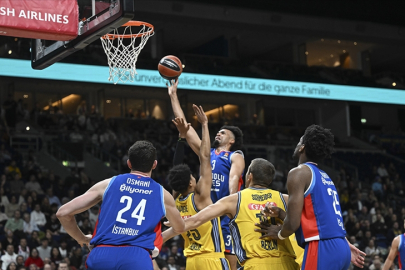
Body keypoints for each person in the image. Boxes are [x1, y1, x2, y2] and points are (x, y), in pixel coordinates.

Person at [56, 140, 185, 270]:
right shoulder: (162, 194)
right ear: (154, 164)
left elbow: (63, 213)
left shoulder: (108, 184)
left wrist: (82, 238)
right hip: (137, 257)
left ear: (129, 163)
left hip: (102, 255)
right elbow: (180, 228)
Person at [257, 125, 365, 269]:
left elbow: (293, 224)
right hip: (342, 246)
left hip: (322, 247)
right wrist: (283, 214)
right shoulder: (326, 176)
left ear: (302, 147)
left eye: (300, 141)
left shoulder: (298, 173)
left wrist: (281, 233)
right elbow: (320, 218)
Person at [164, 158, 299, 270]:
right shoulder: (286, 199)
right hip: (287, 264)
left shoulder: (234, 200)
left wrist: (177, 222)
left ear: (249, 176)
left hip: (256, 264)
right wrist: (282, 229)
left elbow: (195, 221)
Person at [168, 79, 245, 270]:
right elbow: (185, 127)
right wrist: (173, 95)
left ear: (232, 140)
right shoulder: (207, 154)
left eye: (223, 132)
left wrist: (229, 207)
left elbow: (234, 179)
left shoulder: (235, 155)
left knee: (230, 261)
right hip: (204, 211)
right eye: (217, 132)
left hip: (225, 214)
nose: (218, 133)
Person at [165, 105, 229, 269]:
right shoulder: (200, 197)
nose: (195, 177)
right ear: (191, 183)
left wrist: (181, 137)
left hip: (191, 261)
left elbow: (176, 166)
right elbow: (205, 157)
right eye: (193, 177)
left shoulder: (176, 199)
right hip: (211, 259)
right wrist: (205, 124)